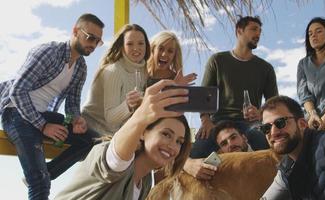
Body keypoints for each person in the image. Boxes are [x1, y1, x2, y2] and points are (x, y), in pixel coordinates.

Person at [0, 13, 104, 199]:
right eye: (90, 38)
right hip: (16, 114)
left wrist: (76, 120)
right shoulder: (48, 53)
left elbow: (72, 103)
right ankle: (40, 177)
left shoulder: (81, 67)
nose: (94, 44)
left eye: (98, 41)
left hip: (43, 116)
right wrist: (43, 126)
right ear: (75, 31)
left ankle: (46, 172)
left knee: (93, 141)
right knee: (39, 184)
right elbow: (17, 92)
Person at [55, 80, 192, 200]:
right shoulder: (111, 157)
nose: (172, 146)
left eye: (179, 141)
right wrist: (140, 116)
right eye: (166, 134)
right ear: (143, 132)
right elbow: (116, 160)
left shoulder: (145, 182)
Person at [191, 15, 278, 158]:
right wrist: (205, 121)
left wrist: (260, 112)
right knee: (197, 152)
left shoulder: (266, 68)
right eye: (253, 29)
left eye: (260, 31)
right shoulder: (217, 60)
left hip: (252, 123)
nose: (258, 34)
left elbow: (273, 104)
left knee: (267, 150)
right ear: (239, 31)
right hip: (218, 121)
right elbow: (204, 95)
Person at [82, 24, 150, 135]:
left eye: (141, 43)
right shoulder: (114, 71)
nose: (136, 48)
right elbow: (111, 118)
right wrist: (128, 104)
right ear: (122, 46)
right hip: (92, 129)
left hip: (117, 133)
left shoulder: (144, 71)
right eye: (130, 44)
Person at [184, 120, 253, 180]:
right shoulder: (216, 164)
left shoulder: (262, 148)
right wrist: (188, 164)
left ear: (244, 138)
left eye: (233, 137)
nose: (230, 144)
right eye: (224, 143)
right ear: (221, 151)